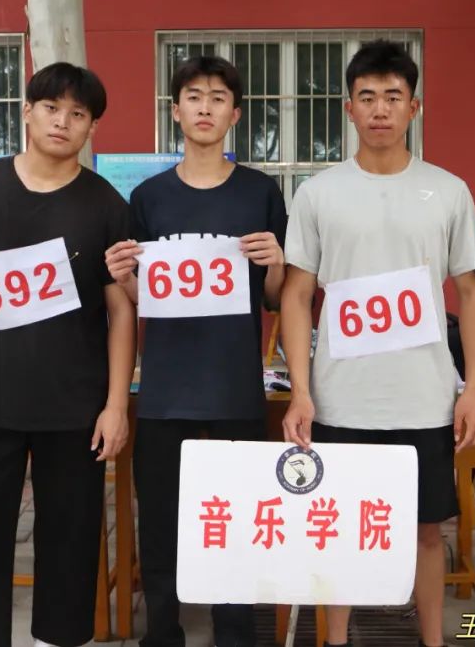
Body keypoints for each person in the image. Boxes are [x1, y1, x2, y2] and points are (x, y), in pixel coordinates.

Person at [280, 40, 475, 647]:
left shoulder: (448, 191)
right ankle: (336, 640)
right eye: (367, 97)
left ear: (413, 107)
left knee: (426, 530)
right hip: (341, 399)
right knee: (340, 528)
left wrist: (472, 387)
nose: (380, 110)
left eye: (393, 97)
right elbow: (297, 295)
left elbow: (472, 293)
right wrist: (301, 391)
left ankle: (432, 640)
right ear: (349, 108)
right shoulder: (318, 193)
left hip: (424, 399)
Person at [0, 62, 136, 647]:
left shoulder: (105, 204)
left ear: (92, 127)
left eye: (77, 114)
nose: (62, 121)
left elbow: (122, 311)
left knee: (72, 539)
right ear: (27, 111)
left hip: (75, 409)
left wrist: (115, 404)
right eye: (51, 108)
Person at [104, 55, 286, 647]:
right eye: (193, 96)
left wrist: (277, 263)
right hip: (165, 392)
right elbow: (142, 297)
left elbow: (276, 297)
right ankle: (164, 633)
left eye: (217, 98)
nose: (205, 107)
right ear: (175, 110)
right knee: (162, 524)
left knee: (238, 519)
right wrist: (124, 276)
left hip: (235, 388)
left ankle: (236, 633)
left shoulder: (260, 192)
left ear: (236, 114)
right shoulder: (149, 197)